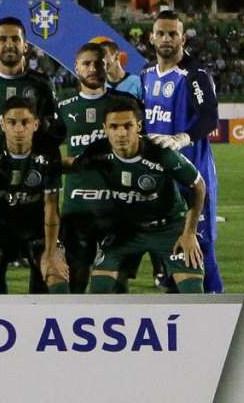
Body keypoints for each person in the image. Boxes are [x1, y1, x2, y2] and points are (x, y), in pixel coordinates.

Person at [70, 96, 206, 294]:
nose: (121, 133)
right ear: (105, 128)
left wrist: (190, 233)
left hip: (169, 227)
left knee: (193, 292)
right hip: (125, 230)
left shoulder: (161, 152)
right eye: (114, 127)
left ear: (139, 126)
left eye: (128, 126)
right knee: (100, 289)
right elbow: (73, 164)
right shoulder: (96, 152)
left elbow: (199, 186)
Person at [140, 9, 223, 293]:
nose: (166, 39)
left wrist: (182, 138)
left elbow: (210, 117)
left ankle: (217, 313)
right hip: (159, 181)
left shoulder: (194, 75)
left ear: (182, 38)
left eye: (172, 34)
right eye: (160, 33)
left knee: (200, 251)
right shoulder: (145, 76)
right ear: (151, 38)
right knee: (166, 257)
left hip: (192, 177)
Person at [0, 96, 69, 294]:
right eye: (12, 122)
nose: (19, 129)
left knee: (56, 275)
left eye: (25, 122)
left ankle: (50, 323)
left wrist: (50, 254)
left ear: (36, 124)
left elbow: (51, 206)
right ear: (3, 124)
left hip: (37, 230)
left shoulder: (48, 152)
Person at [55, 42, 131, 293]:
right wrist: (76, 162)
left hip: (117, 208)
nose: (93, 68)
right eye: (86, 63)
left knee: (116, 282)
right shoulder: (64, 109)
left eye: (98, 63)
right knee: (76, 279)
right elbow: (49, 162)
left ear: (108, 64)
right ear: (76, 67)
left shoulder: (123, 105)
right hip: (78, 209)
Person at [0, 17, 57, 155]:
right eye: (3, 39)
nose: (9, 44)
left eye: (15, 39)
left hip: (31, 168)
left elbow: (55, 125)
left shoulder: (42, 84)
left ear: (25, 46)